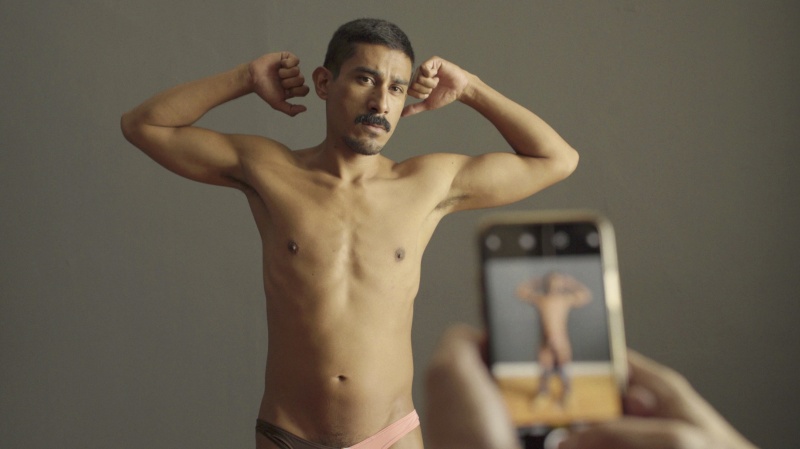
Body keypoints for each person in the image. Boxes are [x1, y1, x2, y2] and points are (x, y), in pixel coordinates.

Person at [121, 18, 578, 449]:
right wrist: (245, 77)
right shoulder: (271, 171)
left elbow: (557, 159)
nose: (381, 103)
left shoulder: (426, 183)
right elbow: (143, 125)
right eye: (365, 79)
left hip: (390, 435)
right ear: (324, 83)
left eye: (396, 88)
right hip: (288, 433)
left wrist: (470, 88)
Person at [424, 325, 759, 449]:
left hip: (559, 342)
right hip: (549, 342)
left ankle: (559, 395)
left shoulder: (560, 300)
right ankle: (549, 395)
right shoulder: (545, 301)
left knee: (559, 372)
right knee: (549, 372)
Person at [515, 272, 592, 407]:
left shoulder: (565, 300)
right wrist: (536, 282)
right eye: (551, 282)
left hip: (561, 340)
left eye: (557, 282)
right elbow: (520, 292)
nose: (554, 285)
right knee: (545, 369)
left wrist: (571, 283)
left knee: (563, 368)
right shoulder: (541, 299)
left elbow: (586, 296)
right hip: (545, 340)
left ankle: (567, 393)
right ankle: (543, 394)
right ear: (547, 284)